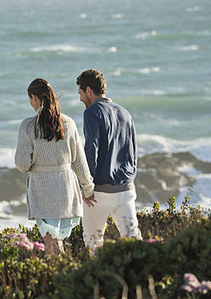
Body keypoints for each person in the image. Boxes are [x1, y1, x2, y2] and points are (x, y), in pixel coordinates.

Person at [15, 78, 95, 256]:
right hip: (67, 190)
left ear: (34, 98)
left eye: (30, 99)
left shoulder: (28, 126)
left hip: (43, 191)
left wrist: (37, 163)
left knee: (52, 245)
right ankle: (64, 276)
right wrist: (88, 189)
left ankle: (63, 279)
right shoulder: (68, 123)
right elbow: (80, 161)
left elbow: (22, 164)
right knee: (56, 242)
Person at [76, 69, 142, 252]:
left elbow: (91, 150)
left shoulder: (91, 113)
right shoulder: (125, 113)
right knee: (133, 239)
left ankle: (100, 280)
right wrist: (129, 178)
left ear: (89, 91)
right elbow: (133, 151)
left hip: (100, 193)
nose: (80, 99)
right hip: (126, 189)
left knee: (93, 242)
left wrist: (86, 187)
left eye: (80, 94)